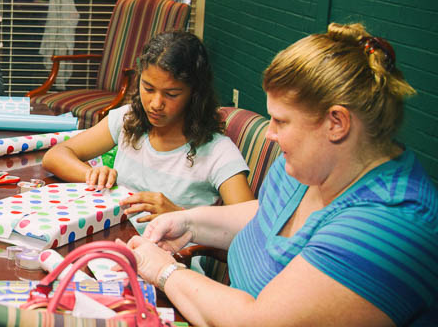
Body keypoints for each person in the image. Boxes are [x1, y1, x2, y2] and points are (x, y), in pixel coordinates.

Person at [126, 23, 438, 326]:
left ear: (336, 123)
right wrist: (189, 223)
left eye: (281, 122)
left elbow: (258, 320)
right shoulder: (309, 167)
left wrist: (166, 273)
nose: (269, 134)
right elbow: (265, 216)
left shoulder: (388, 224)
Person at [42, 31, 254, 226]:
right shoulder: (128, 120)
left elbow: (250, 229)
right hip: (114, 247)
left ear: (195, 93)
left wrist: (181, 217)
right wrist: (93, 175)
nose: (155, 103)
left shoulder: (218, 152)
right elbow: (56, 156)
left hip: (170, 260)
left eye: (171, 94)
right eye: (148, 88)